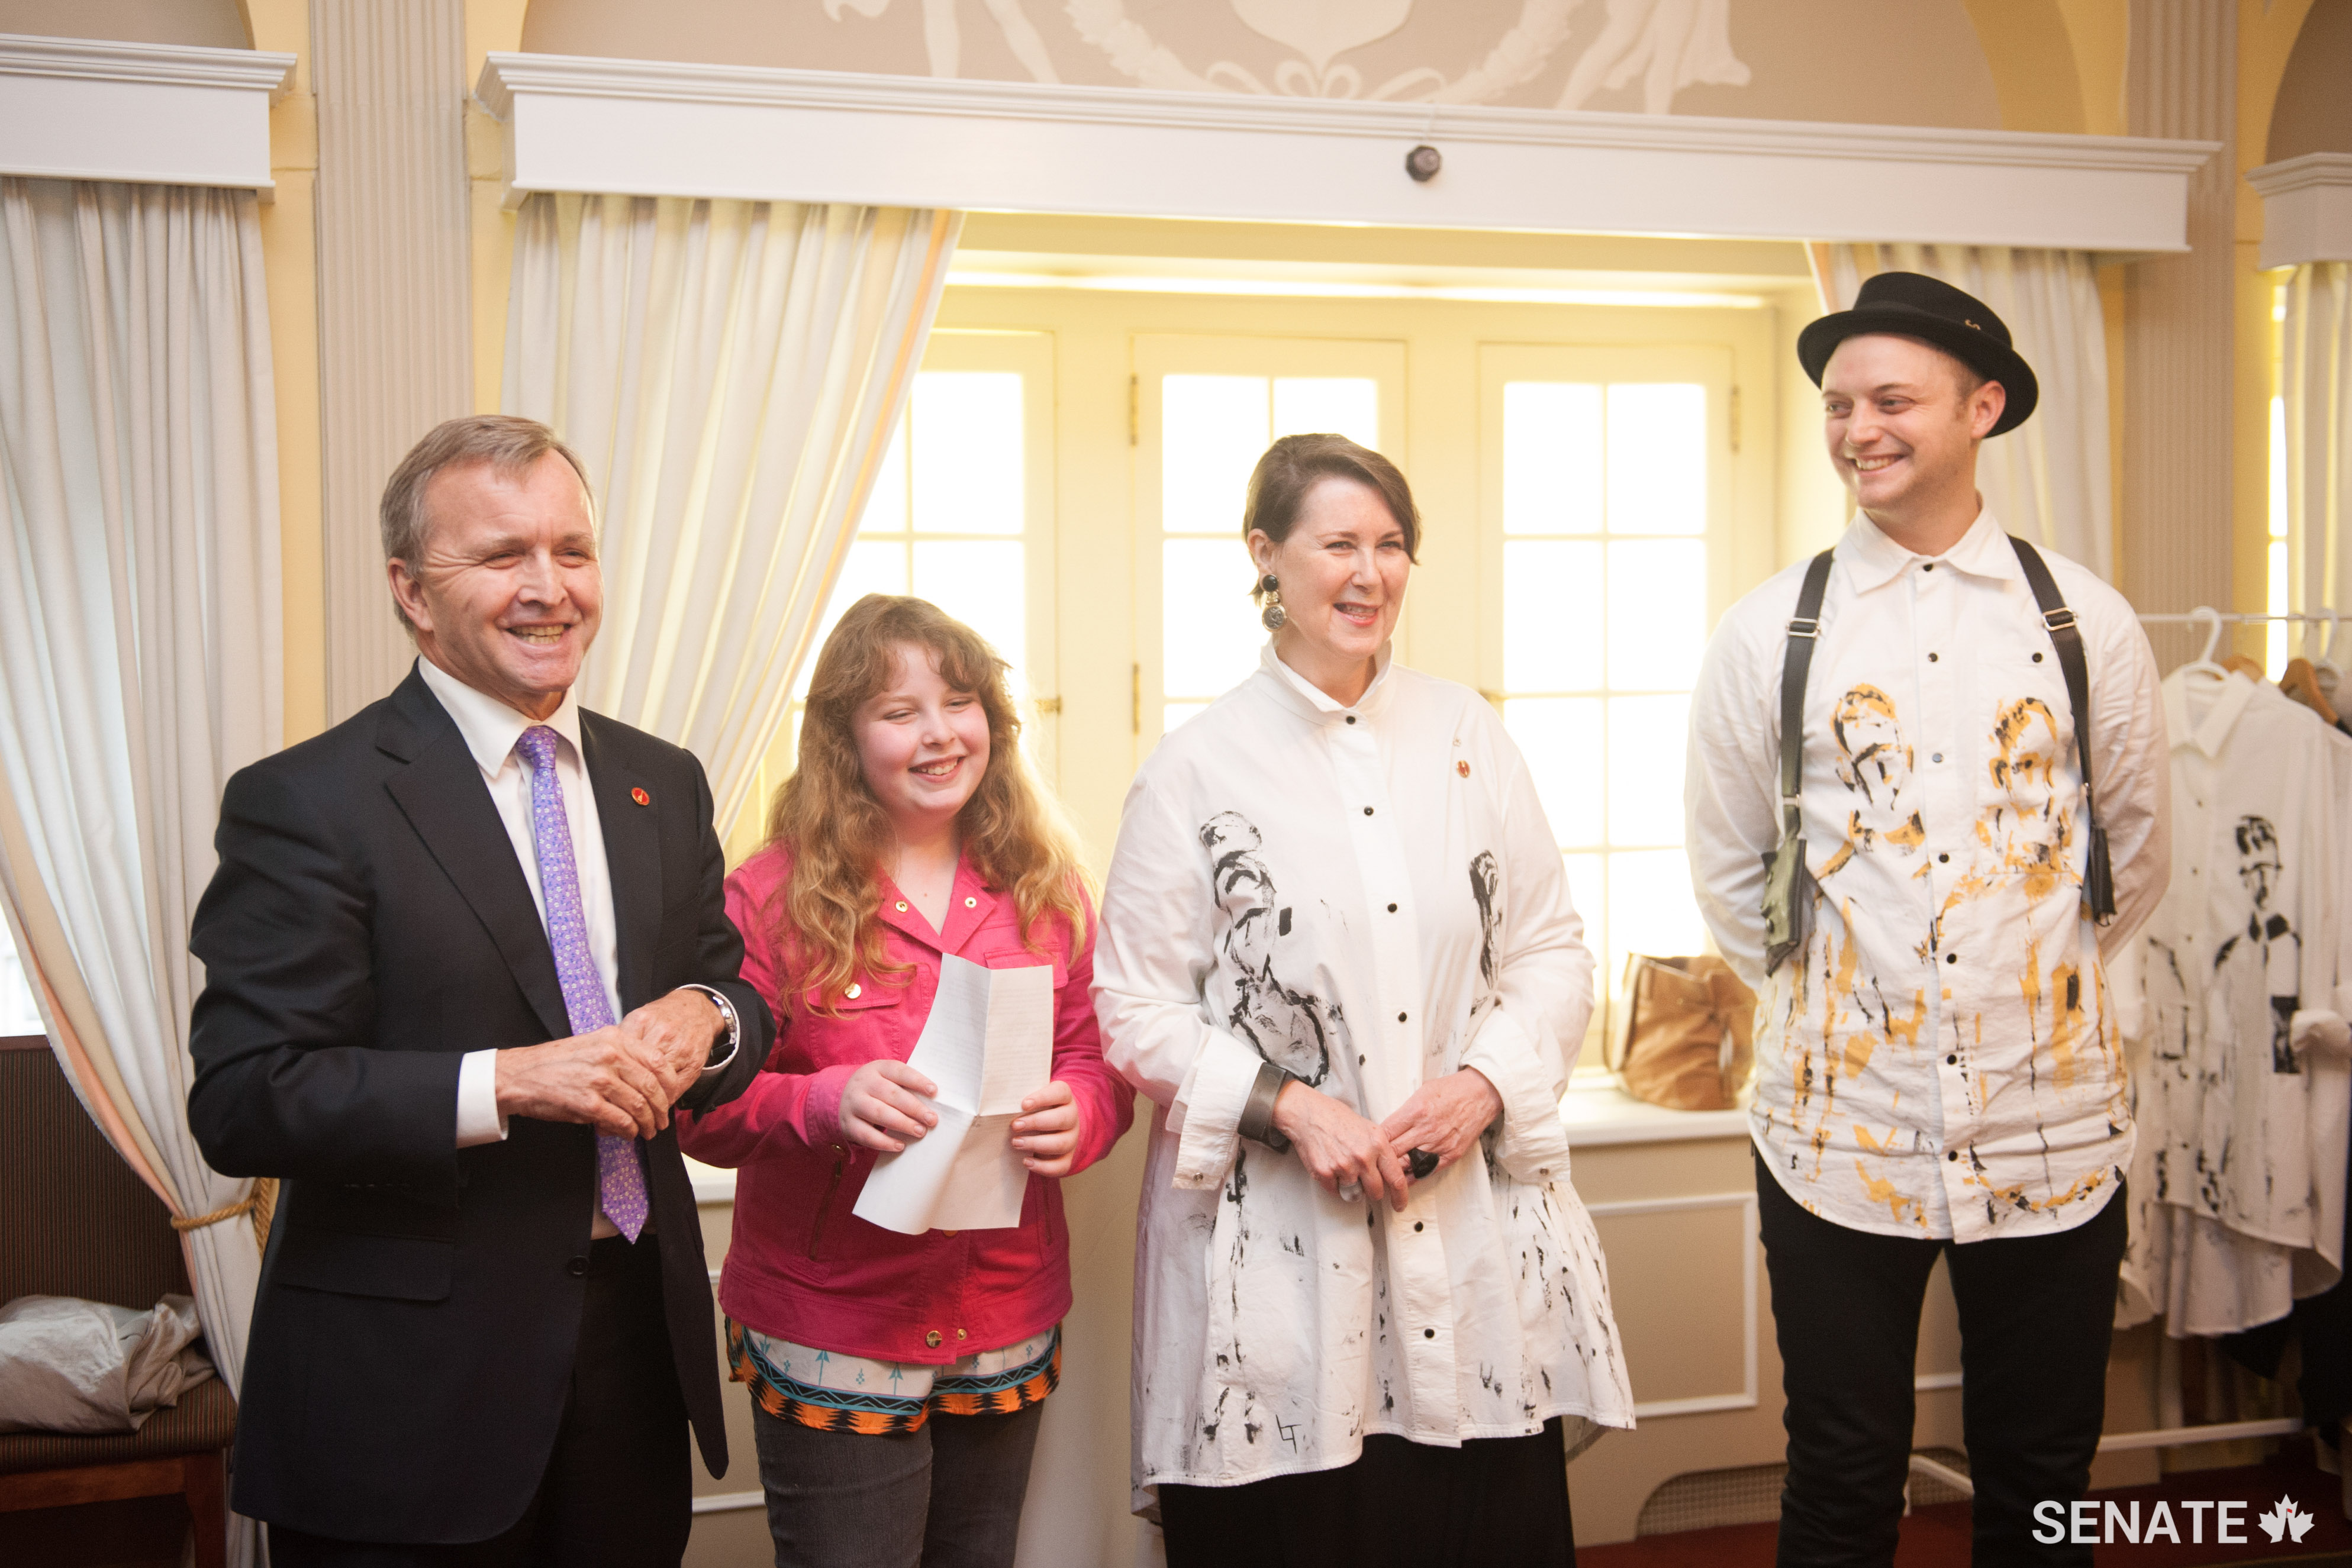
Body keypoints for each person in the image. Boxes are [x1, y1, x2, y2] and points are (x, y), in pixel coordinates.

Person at [187, 415, 772, 1565]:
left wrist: (709, 1016)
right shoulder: (308, 799)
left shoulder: (664, 778)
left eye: (573, 550)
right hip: (406, 1402)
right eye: (503, 555)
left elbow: (736, 989)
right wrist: (506, 1082)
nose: (549, 588)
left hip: (634, 1363)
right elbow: (245, 1097)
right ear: (411, 590)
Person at [1684, 272, 2170, 1566]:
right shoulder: (1764, 633)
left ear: (1983, 406)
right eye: (1839, 404)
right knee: (1840, 1474)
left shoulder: (2087, 624)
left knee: (2043, 1475)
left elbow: (2130, 860)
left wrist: (2017, 989)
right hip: (1839, 1130)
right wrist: (1858, 1002)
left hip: (2053, 1123)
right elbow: (1735, 879)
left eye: (1890, 398)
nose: (1857, 428)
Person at [1094, 434, 1633, 1568]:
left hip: (1467, 1226)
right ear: (1265, 557)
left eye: (1391, 546)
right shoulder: (1193, 767)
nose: (1368, 573)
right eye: (1337, 542)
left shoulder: (1469, 735)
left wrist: (1483, 1084)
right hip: (1279, 1247)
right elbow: (1136, 1009)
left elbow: (1550, 947)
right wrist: (1295, 1106)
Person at [676, 594, 1134, 1568]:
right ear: (844, 738)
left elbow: (1098, 1059)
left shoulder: (1047, 888)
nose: (938, 734)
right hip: (833, 1319)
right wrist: (822, 1103)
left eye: (959, 702)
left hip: (1002, 1313)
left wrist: (1083, 1113)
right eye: (899, 711)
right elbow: (697, 1111)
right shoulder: (765, 894)